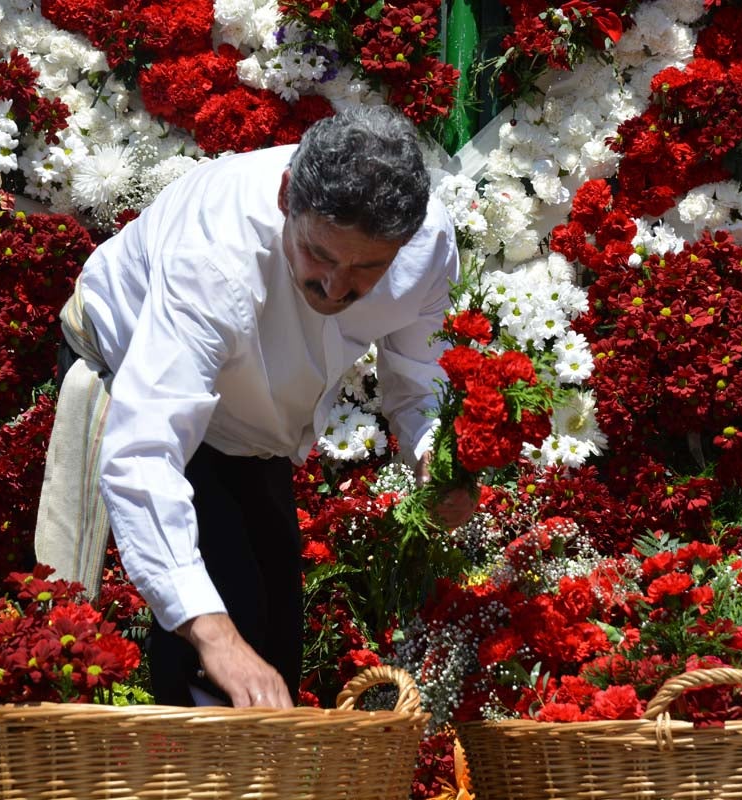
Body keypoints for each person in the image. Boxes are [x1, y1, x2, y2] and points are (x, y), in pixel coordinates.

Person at [34, 105, 476, 709]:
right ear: (287, 194)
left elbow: (419, 374)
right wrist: (212, 635)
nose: (336, 288)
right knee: (216, 661)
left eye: (367, 268)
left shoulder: (426, 245)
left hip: (255, 424)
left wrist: (434, 460)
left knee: (271, 653)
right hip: (139, 368)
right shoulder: (214, 254)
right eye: (320, 255)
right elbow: (145, 450)